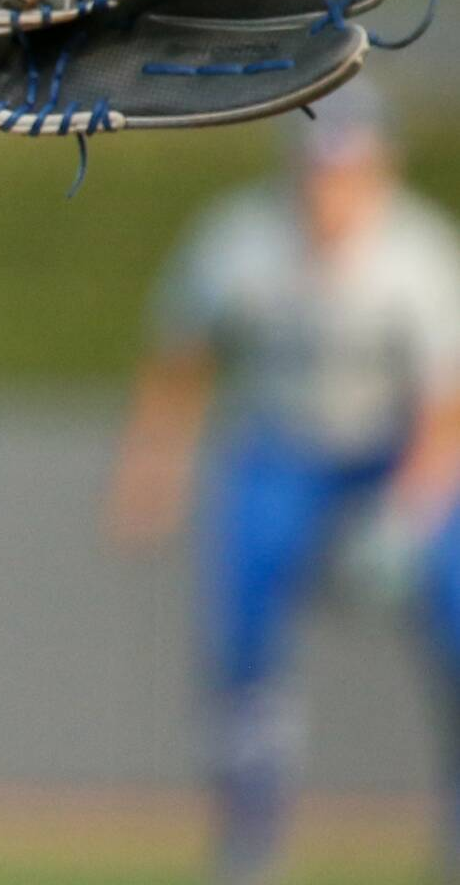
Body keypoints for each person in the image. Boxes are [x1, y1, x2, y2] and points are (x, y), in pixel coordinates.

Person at [104, 85, 460, 883]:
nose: (331, 195)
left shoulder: (420, 258)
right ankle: (251, 830)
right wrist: (152, 470)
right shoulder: (240, 241)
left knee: (457, 609)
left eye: (349, 173)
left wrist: (407, 514)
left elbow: (446, 414)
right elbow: (181, 359)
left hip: (389, 453)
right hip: (281, 449)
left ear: (380, 171)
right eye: (318, 173)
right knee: (242, 629)